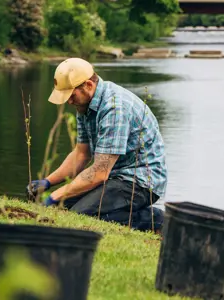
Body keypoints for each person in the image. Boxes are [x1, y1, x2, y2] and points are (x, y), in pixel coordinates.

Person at [26, 57, 167, 232]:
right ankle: (122, 211)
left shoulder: (115, 108)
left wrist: (53, 197)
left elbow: (100, 172)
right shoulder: (84, 105)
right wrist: (47, 182)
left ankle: (156, 220)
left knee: (81, 215)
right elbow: (81, 154)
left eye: (71, 95)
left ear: (88, 85)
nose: (69, 101)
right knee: (63, 208)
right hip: (114, 177)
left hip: (140, 182)